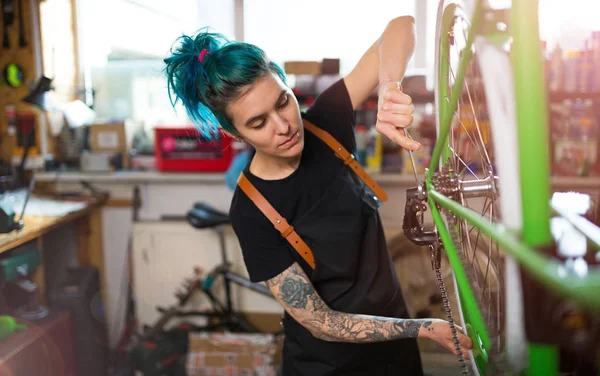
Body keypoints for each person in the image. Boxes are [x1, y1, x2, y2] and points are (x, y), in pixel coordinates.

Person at [165, 17, 472, 375]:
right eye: (258, 123)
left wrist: (389, 86)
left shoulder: (327, 123)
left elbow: (402, 26)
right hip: (329, 365)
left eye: (283, 102)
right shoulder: (252, 212)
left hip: (397, 350)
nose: (283, 126)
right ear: (233, 133)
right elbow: (321, 321)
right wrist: (421, 328)